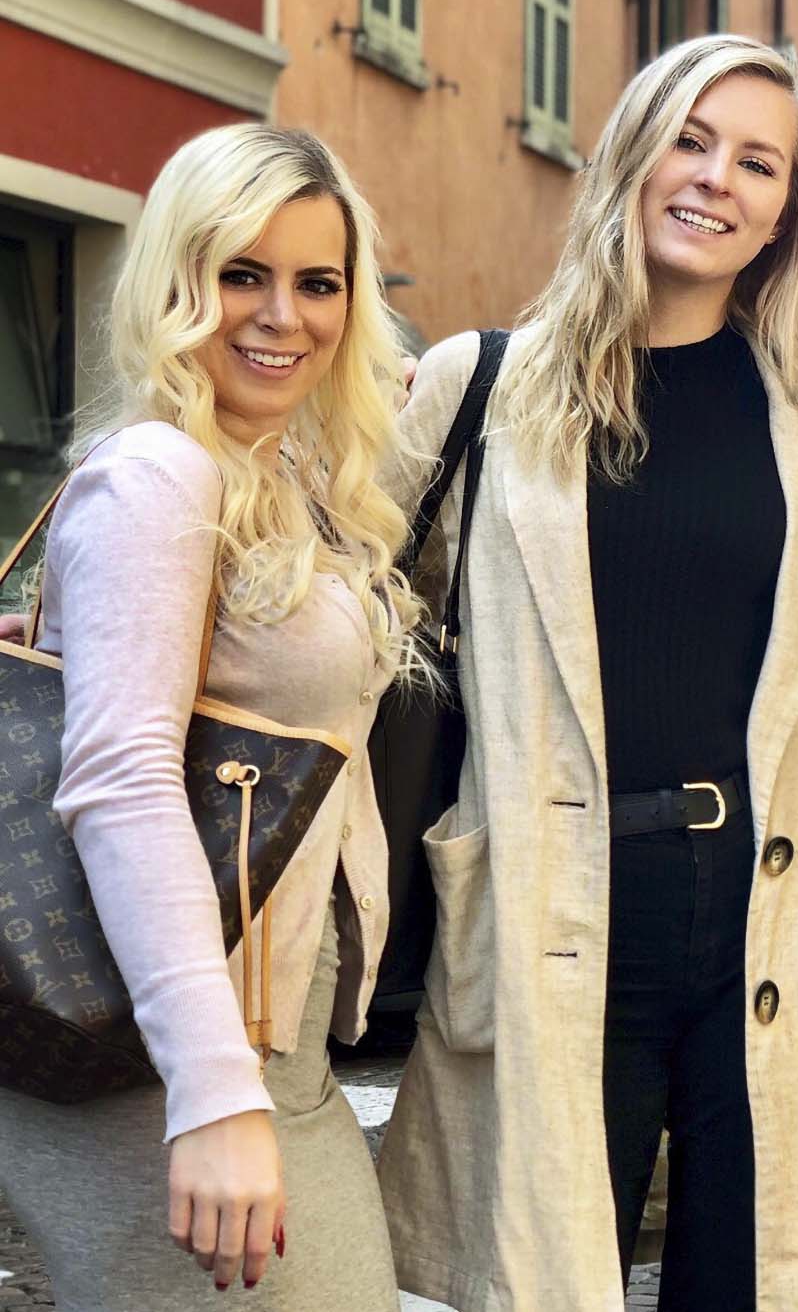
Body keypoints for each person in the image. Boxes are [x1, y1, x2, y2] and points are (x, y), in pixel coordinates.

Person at [373, 35, 798, 1312]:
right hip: (551, 910)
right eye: (690, 139)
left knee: (758, 1283)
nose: (715, 180)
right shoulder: (480, 390)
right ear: (631, 150)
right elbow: (343, 618)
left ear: (789, 209)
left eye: (757, 162)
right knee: (547, 1280)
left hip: (777, 915)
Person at [0, 124, 420, 1309]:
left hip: (252, 1038)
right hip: (156, 1050)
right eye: (242, 273)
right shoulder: (160, 476)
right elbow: (122, 779)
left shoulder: (284, 476)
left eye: (318, 282)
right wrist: (214, 1090)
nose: (281, 314)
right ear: (179, 279)